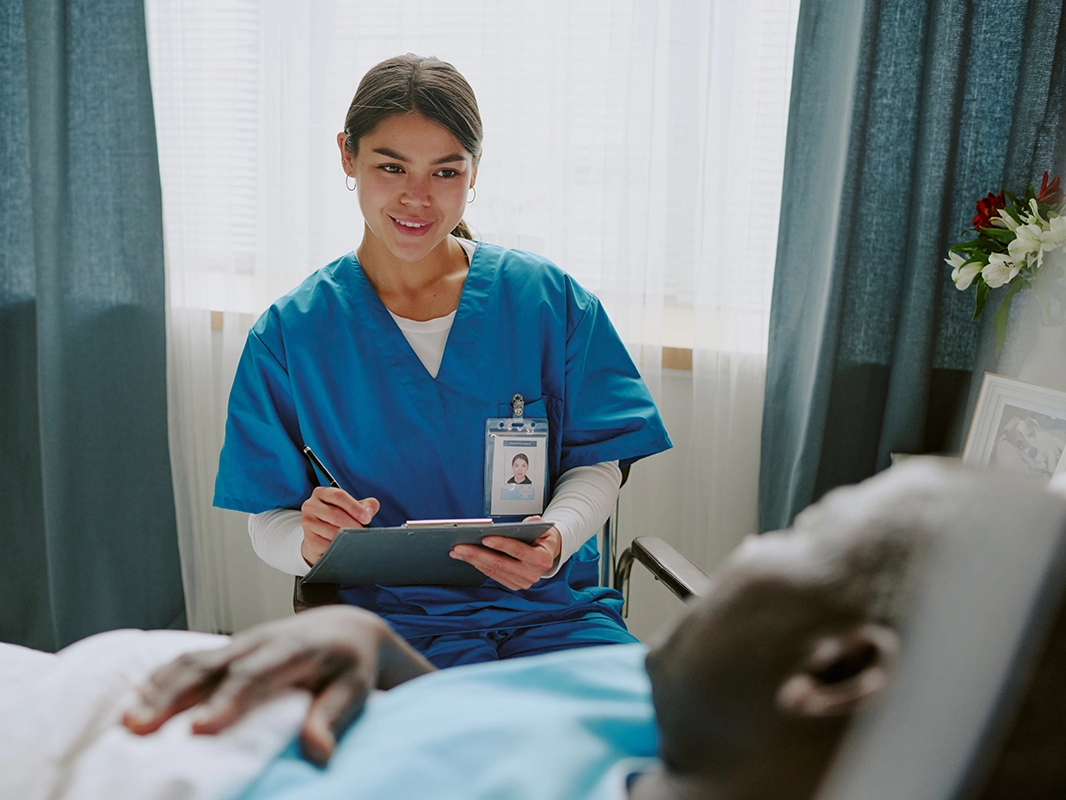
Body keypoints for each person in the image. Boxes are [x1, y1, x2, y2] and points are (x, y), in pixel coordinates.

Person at [126, 459, 1066, 799]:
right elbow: (512, 732)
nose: (746, 543)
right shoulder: (683, 714)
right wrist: (377, 652)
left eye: (798, 531)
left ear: (838, 669)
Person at [213, 53, 671, 669]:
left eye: (446, 171)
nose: (417, 198)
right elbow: (268, 515)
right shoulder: (292, 334)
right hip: (387, 629)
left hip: (554, 616)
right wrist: (306, 537)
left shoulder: (546, 301)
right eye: (391, 166)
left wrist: (556, 539)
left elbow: (600, 462)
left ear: (475, 172)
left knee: (639, 753)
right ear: (347, 156)